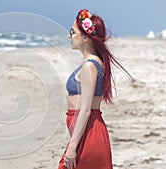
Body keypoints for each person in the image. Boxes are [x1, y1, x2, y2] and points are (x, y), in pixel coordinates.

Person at [58, 9, 133, 169]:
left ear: (85, 37)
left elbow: (85, 110)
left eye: (72, 32)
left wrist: (72, 148)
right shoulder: (95, 63)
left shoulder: (90, 66)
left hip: (88, 132)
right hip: (88, 130)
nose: (69, 36)